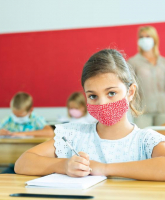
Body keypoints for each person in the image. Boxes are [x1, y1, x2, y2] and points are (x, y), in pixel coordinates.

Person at [15, 49, 165, 181]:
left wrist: (105, 169)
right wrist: (64, 164)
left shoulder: (145, 140)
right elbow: (22, 163)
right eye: (93, 96)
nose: (102, 103)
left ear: (130, 92)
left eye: (111, 93)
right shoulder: (74, 135)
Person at [128, 26, 165, 128]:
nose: (144, 39)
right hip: (143, 112)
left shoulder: (163, 62)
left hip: (163, 111)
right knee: (144, 141)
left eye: (148, 36)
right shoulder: (133, 62)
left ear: (154, 39)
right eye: (141, 37)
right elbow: (129, 86)